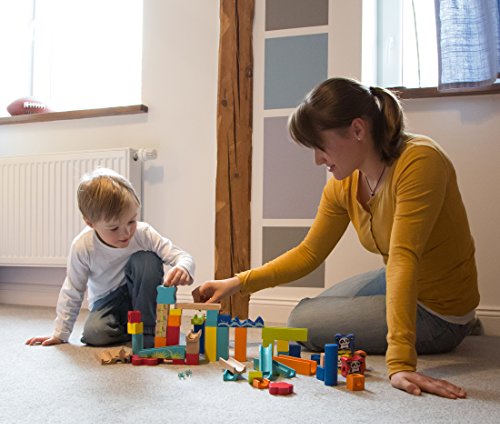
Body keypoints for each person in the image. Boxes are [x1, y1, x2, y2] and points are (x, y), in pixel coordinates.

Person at [198, 77, 481, 399]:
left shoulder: (420, 161)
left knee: (302, 321)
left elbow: (403, 258)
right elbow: (309, 253)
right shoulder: (344, 183)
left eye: (320, 146)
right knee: (314, 311)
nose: (317, 160)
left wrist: (401, 363)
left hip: (441, 309)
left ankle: (456, 329)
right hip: (399, 277)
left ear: (358, 130)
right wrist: (236, 282)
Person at [26, 167, 194, 348]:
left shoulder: (143, 233)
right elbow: (73, 290)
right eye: (114, 228)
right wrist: (60, 333)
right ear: (90, 223)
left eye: (131, 221)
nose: (126, 232)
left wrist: (183, 267)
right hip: (107, 302)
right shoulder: (83, 246)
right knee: (95, 334)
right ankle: (131, 328)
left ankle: (148, 330)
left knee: (146, 259)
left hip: (143, 297)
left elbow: (182, 256)